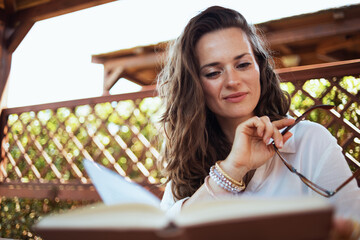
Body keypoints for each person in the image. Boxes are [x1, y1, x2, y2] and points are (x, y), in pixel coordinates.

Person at [156, 5, 360, 239]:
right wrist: (231, 169)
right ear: (195, 86)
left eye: (242, 64)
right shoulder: (185, 164)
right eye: (213, 72)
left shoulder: (310, 141)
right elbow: (165, 235)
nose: (232, 81)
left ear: (259, 68)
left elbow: (352, 226)